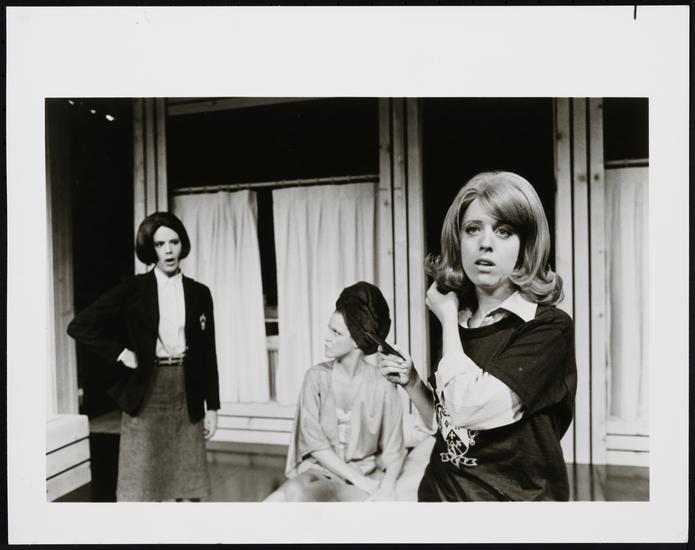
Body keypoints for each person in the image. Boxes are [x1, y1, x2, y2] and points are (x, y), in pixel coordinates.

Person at [377, 171, 577, 501]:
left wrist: (446, 318)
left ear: (526, 245)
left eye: (503, 231)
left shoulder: (549, 328)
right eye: (473, 229)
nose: (485, 243)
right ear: (458, 241)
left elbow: (467, 409)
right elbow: (449, 425)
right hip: (439, 495)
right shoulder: (459, 320)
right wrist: (412, 382)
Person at [67, 211, 220, 502]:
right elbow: (79, 325)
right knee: (141, 484)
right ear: (150, 249)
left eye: (174, 242)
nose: (168, 251)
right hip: (147, 390)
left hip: (187, 391)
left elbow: (207, 353)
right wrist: (121, 353)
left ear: (182, 245)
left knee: (188, 485)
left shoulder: (200, 293)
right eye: (160, 244)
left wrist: (212, 406)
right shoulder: (133, 289)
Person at [266, 282, 406, 502]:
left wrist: (386, 487)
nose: (326, 337)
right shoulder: (315, 378)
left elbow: (394, 450)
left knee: (298, 497)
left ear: (357, 341)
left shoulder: (383, 385)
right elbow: (314, 443)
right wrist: (360, 481)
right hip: (321, 469)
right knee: (279, 498)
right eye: (329, 329)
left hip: (365, 474)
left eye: (336, 332)